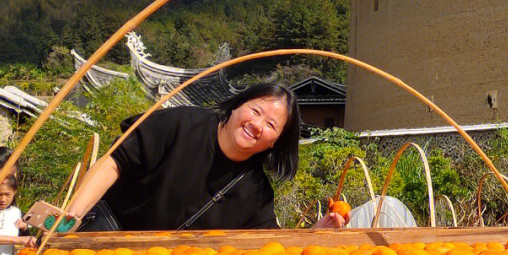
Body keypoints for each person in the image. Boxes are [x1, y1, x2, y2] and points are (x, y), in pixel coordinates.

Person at [67, 82, 342, 231]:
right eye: (255, 111)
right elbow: (115, 161)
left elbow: (268, 245)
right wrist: (70, 216)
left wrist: (315, 233)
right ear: (236, 106)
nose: (257, 125)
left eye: (271, 125)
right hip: (103, 240)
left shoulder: (255, 192)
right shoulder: (181, 124)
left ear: (275, 143)